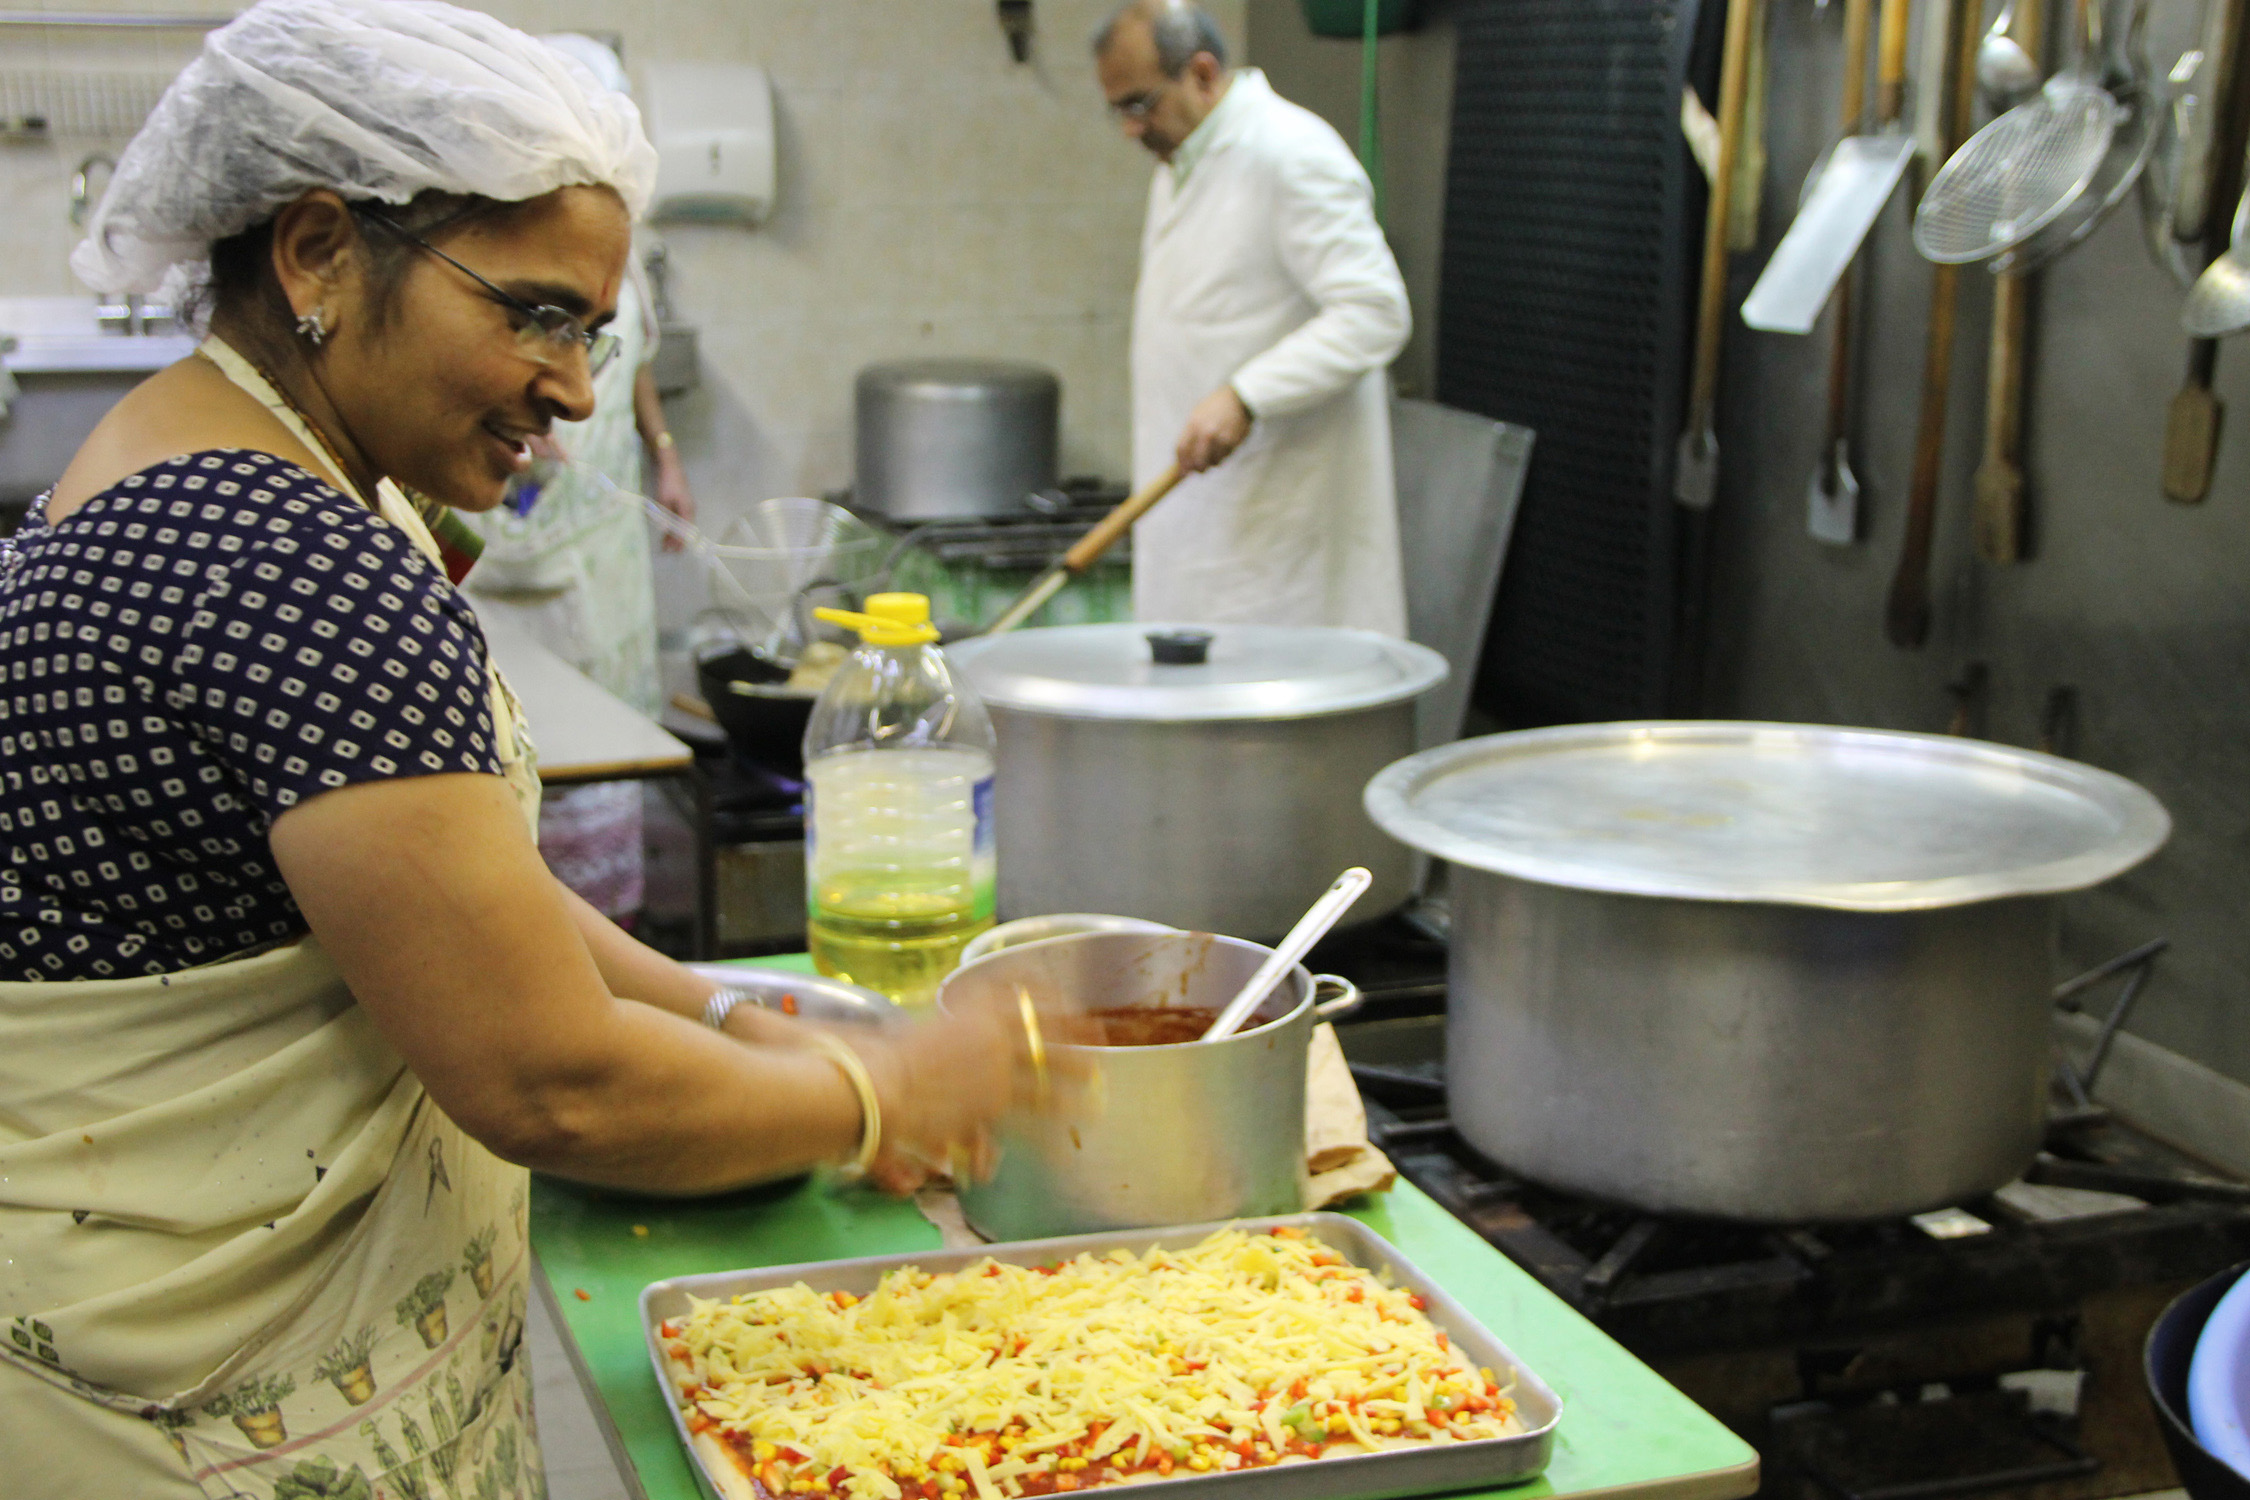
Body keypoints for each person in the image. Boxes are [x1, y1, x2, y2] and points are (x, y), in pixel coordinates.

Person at [0, 2, 1028, 1494]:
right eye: (533, 311)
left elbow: (440, 896)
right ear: (316, 253)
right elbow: (551, 1082)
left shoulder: (167, 466)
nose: (576, 389)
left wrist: (722, 1014)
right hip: (208, 1412)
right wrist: (890, 1093)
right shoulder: (296, 571)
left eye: (593, 331)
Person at [462, 31, 696, 927]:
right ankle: (538, 933)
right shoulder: (510, 239)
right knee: (531, 727)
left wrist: (664, 450)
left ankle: (611, 936)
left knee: (615, 712)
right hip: (517, 530)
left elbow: (632, 356)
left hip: (604, 521)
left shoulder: (618, 240)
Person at [1095, 0, 1412, 635]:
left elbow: (1376, 311)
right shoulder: (1181, 164)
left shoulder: (1290, 154)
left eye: (1139, 105)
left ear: (1203, 74)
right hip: (1205, 524)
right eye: (1119, 111)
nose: (1131, 130)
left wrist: (1247, 395)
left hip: (1281, 542)